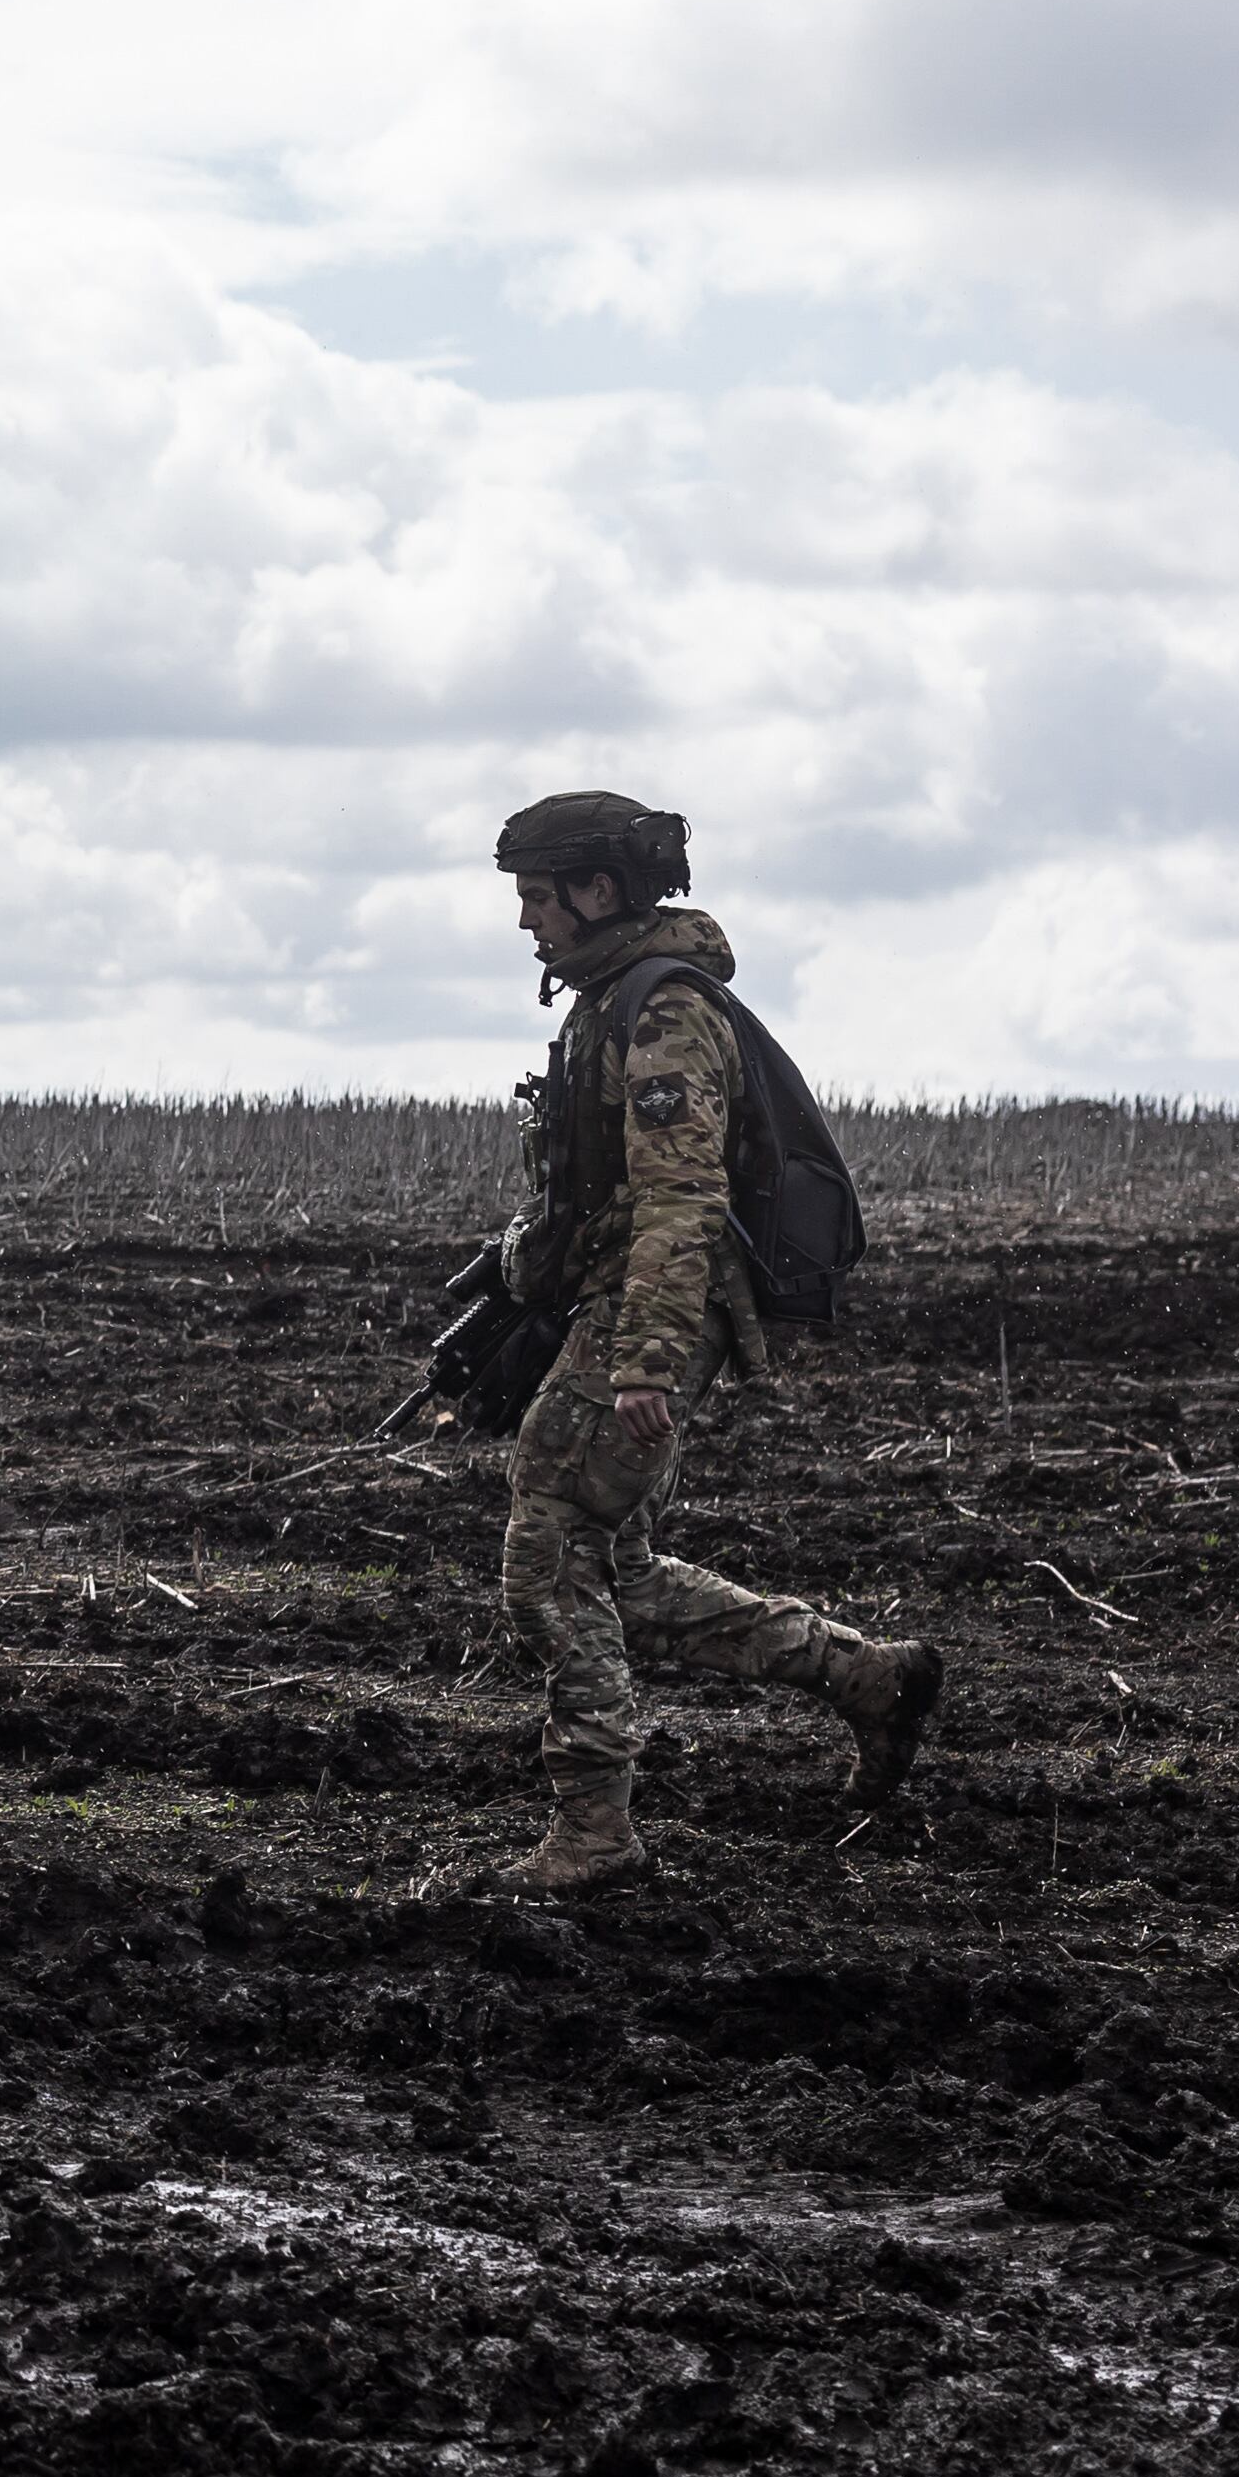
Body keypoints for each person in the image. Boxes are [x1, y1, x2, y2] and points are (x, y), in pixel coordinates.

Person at [475, 791, 942, 1893]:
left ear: (598, 892)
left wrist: (643, 1361)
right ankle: (866, 1677)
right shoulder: (611, 1001)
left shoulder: (661, 1012)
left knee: (545, 1565)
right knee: (617, 1571)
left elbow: (680, 1201)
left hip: (644, 1321)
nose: (526, 921)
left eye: (538, 898)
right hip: (619, 1308)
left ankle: (592, 1833)